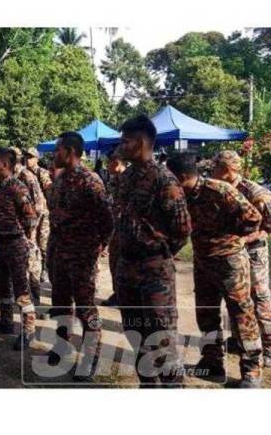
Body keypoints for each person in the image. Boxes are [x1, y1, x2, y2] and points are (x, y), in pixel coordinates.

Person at [167, 152, 263, 387]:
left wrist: (228, 236)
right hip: (203, 262)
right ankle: (212, 363)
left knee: (241, 316)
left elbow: (254, 217)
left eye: (170, 177)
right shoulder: (182, 196)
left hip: (230, 263)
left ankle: (251, 372)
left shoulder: (219, 190)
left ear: (182, 176)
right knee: (207, 314)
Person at [116, 115, 192, 387]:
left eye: (126, 141)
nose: (121, 145)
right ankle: (148, 386)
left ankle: (173, 388)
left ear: (141, 142)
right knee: (135, 332)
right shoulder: (125, 177)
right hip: (128, 269)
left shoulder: (164, 179)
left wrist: (157, 252)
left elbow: (182, 229)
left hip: (153, 272)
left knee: (161, 336)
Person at [46, 132, 114, 381]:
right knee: (62, 304)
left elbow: (107, 219)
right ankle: (61, 347)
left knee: (86, 308)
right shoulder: (61, 180)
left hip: (82, 256)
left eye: (58, 149)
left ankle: (89, 358)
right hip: (60, 254)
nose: (55, 154)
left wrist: (98, 247)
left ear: (70, 151)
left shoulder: (90, 181)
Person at [211, 150, 271, 367]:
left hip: (254, 252)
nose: (211, 171)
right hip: (232, 253)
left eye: (215, 167)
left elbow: (267, 227)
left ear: (227, 170)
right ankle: (242, 340)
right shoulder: (218, 189)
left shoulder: (256, 193)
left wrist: (243, 239)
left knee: (260, 298)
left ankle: (269, 346)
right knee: (237, 301)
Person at [0, 148, 38, 350]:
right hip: (0, 244)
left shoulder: (17, 187)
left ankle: (28, 330)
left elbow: (30, 217)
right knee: (3, 286)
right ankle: (6, 322)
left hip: (15, 244)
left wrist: (22, 238)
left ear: (5, 165)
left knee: (21, 290)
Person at [12, 147, 44, 305]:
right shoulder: (12, 175)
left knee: (32, 262)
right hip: (17, 228)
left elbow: (39, 205)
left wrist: (29, 228)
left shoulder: (27, 176)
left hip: (27, 228)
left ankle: (35, 297)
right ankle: (22, 295)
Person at [101, 148, 128, 307]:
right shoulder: (113, 180)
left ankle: (125, 297)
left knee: (123, 265)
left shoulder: (128, 180)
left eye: (109, 162)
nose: (107, 166)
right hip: (114, 228)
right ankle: (117, 294)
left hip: (126, 230)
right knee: (114, 262)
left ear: (117, 163)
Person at [24, 147, 53, 285]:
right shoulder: (22, 173)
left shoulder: (42, 172)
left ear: (36, 158)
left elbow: (49, 191)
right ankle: (31, 269)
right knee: (31, 242)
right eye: (26, 157)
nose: (27, 159)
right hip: (30, 214)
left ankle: (45, 270)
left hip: (44, 214)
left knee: (43, 242)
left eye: (30, 157)